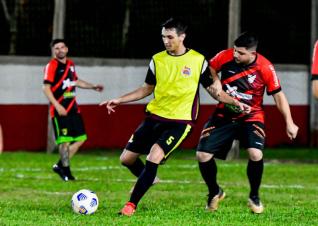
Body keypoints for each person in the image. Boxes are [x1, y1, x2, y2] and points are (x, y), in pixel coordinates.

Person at [100, 18, 250, 216]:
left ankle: (131, 205)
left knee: (154, 155)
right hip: (154, 117)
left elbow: (215, 91)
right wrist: (120, 99)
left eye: (170, 37)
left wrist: (234, 101)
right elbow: (147, 89)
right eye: (163, 37)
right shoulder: (157, 59)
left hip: (181, 121)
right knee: (126, 159)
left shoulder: (198, 60)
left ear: (182, 37)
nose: (166, 41)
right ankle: (149, 178)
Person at [196, 32, 299, 214]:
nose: (235, 55)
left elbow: (278, 96)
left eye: (241, 53)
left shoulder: (265, 67)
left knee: (255, 153)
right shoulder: (225, 55)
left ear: (253, 53)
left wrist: (289, 122)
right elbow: (208, 68)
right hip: (224, 114)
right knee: (202, 155)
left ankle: (254, 196)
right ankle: (215, 192)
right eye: (235, 50)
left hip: (252, 116)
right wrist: (217, 81)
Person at [43, 39, 104, 181]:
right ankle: (66, 171)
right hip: (60, 111)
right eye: (56, 48)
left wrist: (92, 86)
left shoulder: (70, 64)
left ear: (67, 49)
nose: (59, 50)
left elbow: (75, 81)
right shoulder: (51, 65)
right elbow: (45, 88)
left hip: (73, 109)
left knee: (80, 139)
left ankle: (60, 165)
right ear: (53, 51)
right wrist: (57, 106)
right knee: (64, 141)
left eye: (62, 47)